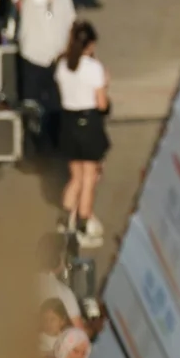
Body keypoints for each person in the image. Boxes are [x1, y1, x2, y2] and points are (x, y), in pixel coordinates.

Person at [55, 21, 110, 247]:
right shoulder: (94, 69)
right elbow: (102, 104)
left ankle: (64, 220)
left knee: (75, 177)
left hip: (68, 122)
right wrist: (105, 85)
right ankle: (83, 223)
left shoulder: (62, 65)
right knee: (90, 177)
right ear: (91, 44)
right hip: (88, 123)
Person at [15, 0, 76, 153]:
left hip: (56, 59)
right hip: (33, 56)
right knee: (31, 105)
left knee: (56, 103)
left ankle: (54, 144)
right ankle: (31, 145)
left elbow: (71, 25)